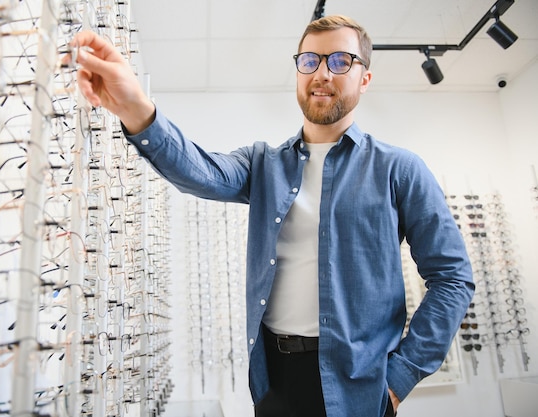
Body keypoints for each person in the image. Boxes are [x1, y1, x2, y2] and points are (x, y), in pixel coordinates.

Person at [70, 15, 474, 417]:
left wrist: (399, 378)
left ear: (364, 78)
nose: (322, 73)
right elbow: (202, 172)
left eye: (340, 62)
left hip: (359, 386)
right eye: (310, 61)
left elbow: (453, 278)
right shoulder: (264, 164)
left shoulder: (399, 169)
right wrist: (137, 108)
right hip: (274, 381)